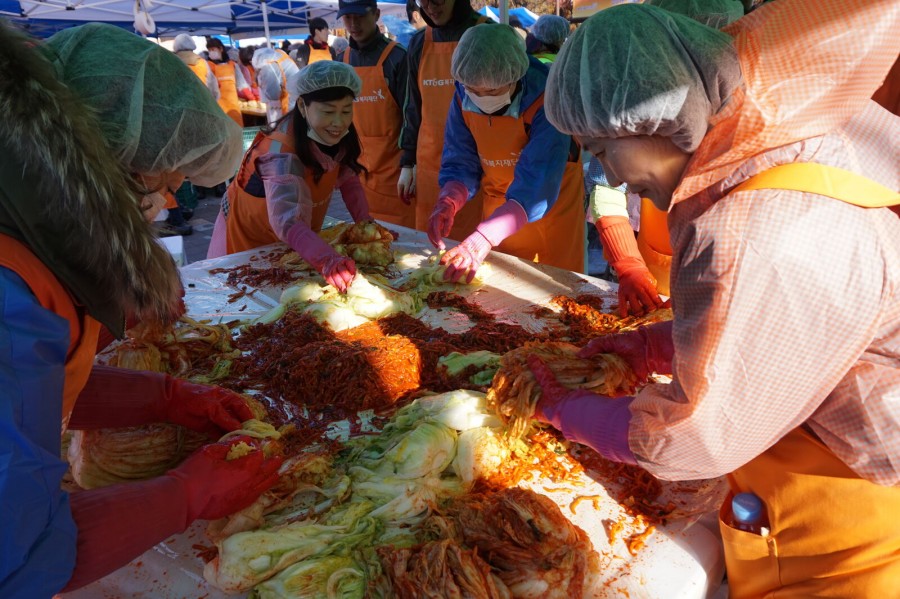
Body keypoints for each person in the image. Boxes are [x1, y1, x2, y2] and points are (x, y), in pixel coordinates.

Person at [535, 1, 899, 596]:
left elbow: (698, 436)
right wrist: (654, 346)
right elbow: (783, 330)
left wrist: (567, 412)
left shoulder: (747, 226)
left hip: (849, 534)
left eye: (601, 151)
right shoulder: (770, 147)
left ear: (650, 120)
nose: (614, 179)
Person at [0, 22, 282, 597]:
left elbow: (41, 391)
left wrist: (169, 397)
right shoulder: (11, 303)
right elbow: (17, 558)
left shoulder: (29, 231)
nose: (172, 197)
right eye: (167, 177)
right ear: (110, 163)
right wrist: (187, 494)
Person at [589, 0, 744, 316]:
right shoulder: (630, 100)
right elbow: (606, 188)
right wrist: (628, 263)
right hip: (655, 268)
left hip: (730, 286)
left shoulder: (754, 113)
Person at [431, 24, 584, 281]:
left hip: (551, 216)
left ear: (516, 77)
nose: (481, 98)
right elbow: (460, 160)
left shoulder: (547, 97)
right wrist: (449, 199)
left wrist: (483, 237)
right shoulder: (462, 94)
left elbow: (537, 183)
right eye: (473, 91)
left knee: (552, 291)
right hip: (497, 214)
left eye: (492, 91)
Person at [209, 61, 371, 293]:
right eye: (328, 112)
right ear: (303, 106)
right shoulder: (279, 153)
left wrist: (366, 225)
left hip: (300, 243)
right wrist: (327, 260)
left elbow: (348, 180)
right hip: (250, 243)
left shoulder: (335, 136)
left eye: (346, 111)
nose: (339, 122)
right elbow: (288, 221)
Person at [398, 0, 490, 237]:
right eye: (423, 1)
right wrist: (408, 162)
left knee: (473, 244)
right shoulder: (419, 42)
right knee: (430, 242)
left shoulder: (486, 33)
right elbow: (413, 106)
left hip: (478, 166)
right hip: (430, 165)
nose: (430, 7)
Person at [338, 0, 412, 228]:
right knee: (366, 236)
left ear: (376, 14)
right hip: (358, 173)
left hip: (396, 174)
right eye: (348, 17)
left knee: (401, 237)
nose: (353, 24)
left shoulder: (398, 57)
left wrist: (410, 164)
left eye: (360, 16)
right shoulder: (341, 60)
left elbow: (413, 116)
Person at [206, 37, 254, 127]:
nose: (211, 52)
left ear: (221, 49)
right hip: (217, 108)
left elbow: (242, 84)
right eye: (209, 50)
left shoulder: (233, 65)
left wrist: (252, 97)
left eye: (213, 49)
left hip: (233, 107)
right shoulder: (208, 66)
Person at [253, 46, 302, 125]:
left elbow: (273, 95)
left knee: (287, 125)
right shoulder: (278, 55)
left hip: (290, 100)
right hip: (296, 95)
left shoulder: (268, 67)